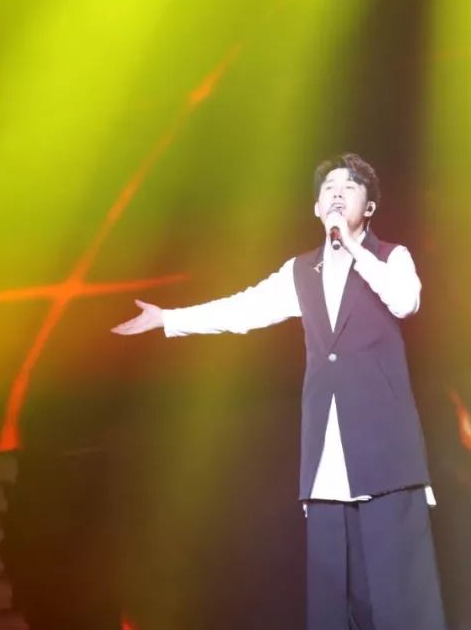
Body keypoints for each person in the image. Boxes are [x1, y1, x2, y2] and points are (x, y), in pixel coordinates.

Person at [112, 153, 446, 630]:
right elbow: (242, 310)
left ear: (369, 207)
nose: (337, 193)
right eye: (328, 188)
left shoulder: (392, 257)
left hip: (386, 459)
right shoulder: (300, 271)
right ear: (316, 208)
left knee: (401, 601)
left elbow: (405, 300)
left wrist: (355, 249)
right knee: (335, 606)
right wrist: (169, 319)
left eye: (349, 187)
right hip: (326, 464)